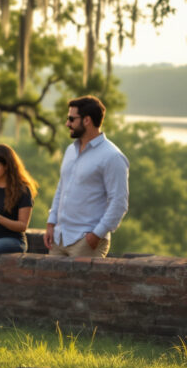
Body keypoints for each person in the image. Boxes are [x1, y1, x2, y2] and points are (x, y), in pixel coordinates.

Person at [44, 95, 129, 257]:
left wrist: (97, 234)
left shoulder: (112, 156)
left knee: (79, 284)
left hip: (86, 241)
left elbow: (119, 202)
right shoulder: (70, 150)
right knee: (50, 283)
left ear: (87, 120)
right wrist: (51, 223)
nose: (67, 123)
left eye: (71, 119)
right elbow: (61, 188)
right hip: (59, 238)